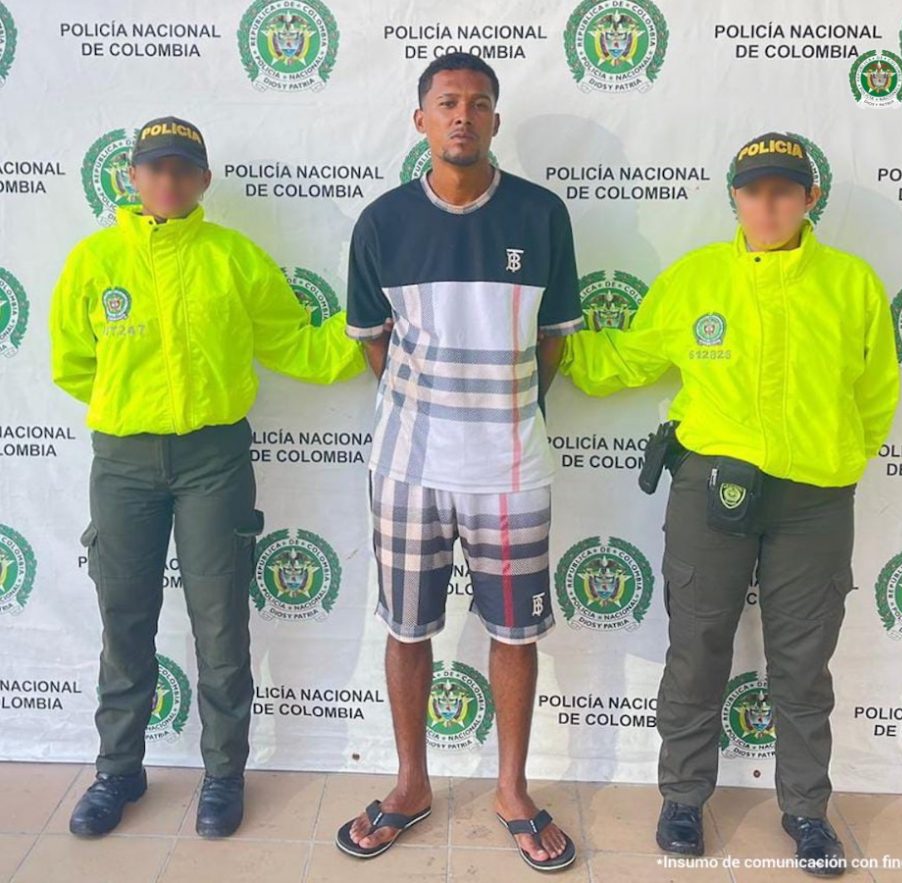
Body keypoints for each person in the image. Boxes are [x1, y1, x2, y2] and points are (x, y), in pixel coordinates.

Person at [561, 133, 900, 877]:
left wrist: (838, 456)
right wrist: (539, 340)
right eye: (754, 189)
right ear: (735, 198)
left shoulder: (852, 283)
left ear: (811, 198)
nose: (768, 204)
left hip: (815, 498)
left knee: (803, 663)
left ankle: (807, 811)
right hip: (710, 489)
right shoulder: (696, 278)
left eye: (784, 189)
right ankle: (683, 798)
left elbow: (876, 397)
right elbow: (626, 358)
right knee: (698, 647)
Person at [49, 116, 365, 839]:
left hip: (213, 460)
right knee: (124, 619)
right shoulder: (95, 261)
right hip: (124, 462)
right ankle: (117, 771)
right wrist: (135, 404)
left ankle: (223, 774)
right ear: (131, 176)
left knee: (221, 620)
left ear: (204, 180)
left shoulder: (235, 258)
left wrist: (369, 328)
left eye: (183, 168)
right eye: (155, 167)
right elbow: (72, 363)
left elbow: (298, 344)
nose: (168, 180)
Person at [335, 54, 582, 872]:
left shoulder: (542, 216)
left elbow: (553, 338)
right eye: (447, 103)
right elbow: (374, 343)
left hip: (512, 467)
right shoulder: (380, 223)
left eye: (478, 103)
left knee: (514, 633)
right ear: (421, 120)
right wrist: (430, 408)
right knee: (407, 629)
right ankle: (411, 784)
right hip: (408, 467)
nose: (463, 117)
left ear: (496, 120)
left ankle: (512, 789)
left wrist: (503, 409)